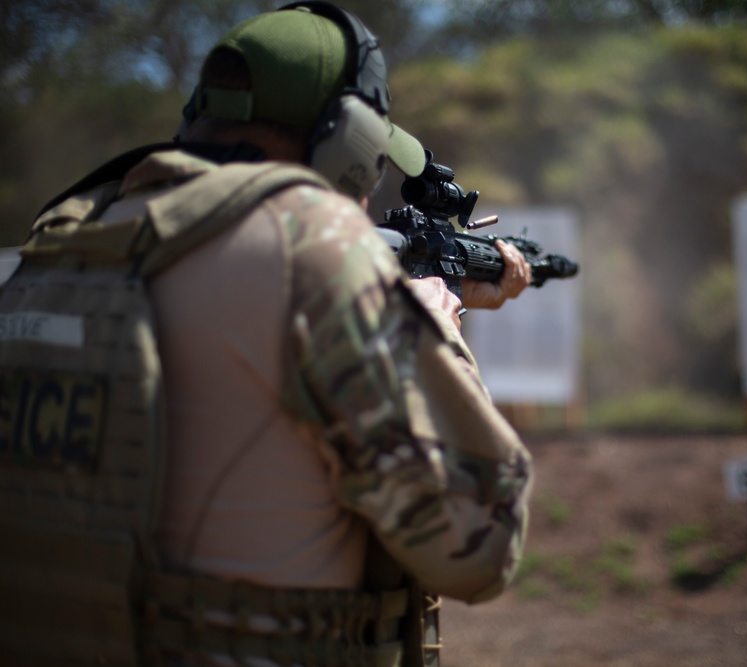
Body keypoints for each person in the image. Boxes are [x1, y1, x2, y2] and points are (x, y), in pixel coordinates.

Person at [0, 3, 533, 666]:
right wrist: (434, 328)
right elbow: (480, 546)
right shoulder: (309, 247)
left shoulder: (66, 240)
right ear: (354, 140)